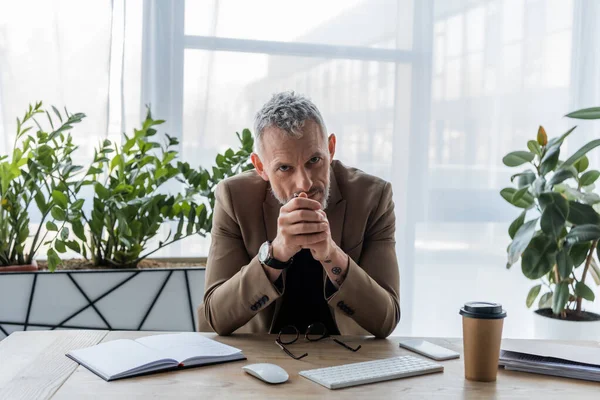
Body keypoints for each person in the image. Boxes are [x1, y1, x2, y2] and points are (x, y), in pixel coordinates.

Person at [198, 91, 400, 338]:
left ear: (331, 148)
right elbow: (216, 317)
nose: (304, 183)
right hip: (262, 356)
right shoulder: (234, 198)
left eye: (314, 160)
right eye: (284, 168)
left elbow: (386, 319)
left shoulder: (372, 197)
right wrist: (276, 254)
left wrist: (331, 255)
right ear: (260, 167)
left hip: (346, 356)